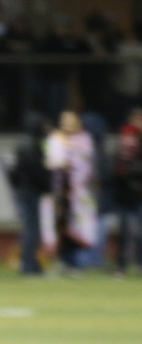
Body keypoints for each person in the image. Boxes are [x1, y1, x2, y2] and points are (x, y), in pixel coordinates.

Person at [46, 109, 99, 272]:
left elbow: (87, 164)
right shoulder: (56, 139)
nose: (66, 125)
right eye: (64, 122)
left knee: (79, 227)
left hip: (79, 191)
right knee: (61, 226)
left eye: (69, 121)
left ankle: (76, 262)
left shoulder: (84, 139)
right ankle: (63, 260)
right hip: (60, 190)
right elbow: (52, 161)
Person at [8, 113, 52, 275]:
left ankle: (31, 262)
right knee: (32, 229)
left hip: (24, 190)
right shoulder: (35, 144)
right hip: (32, 191)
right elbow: (37, 170)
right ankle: (28, 264)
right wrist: (47, 186)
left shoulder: (22, 143)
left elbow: (14, 172)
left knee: (31, 228)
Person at [114, 108, 142, 275]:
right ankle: (121, 265)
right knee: (125, 231)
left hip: (138, 193)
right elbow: (116, 168)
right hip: (126, 194)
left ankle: (139, 263)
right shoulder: (124, 140)